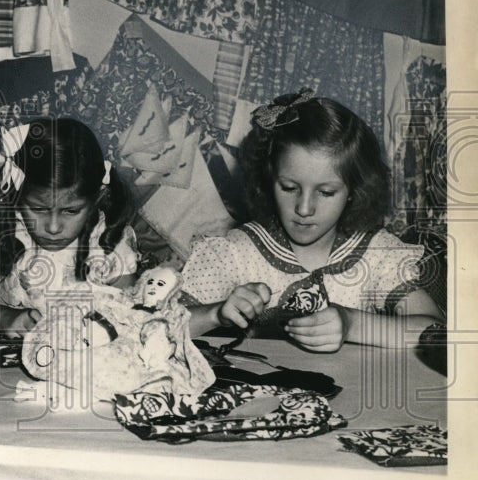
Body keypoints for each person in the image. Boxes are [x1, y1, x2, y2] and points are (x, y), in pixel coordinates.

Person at [182, 89, 444, 351]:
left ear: (354, 190)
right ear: (268, 179)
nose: (304, 208)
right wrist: (215, 314)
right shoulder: (235, 252)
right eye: (288, 187)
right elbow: (153, 327)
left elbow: (436, 331)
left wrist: (352, 324)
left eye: (326, 192)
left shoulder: (376, 254)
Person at [0, 117, 139, 336]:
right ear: (17, 196)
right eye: (39, 209)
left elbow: (130, 319)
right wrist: (2, 317)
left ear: (98, 197)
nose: (53, 227)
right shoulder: (4, 233)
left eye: (71, 211)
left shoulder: (110, 242)